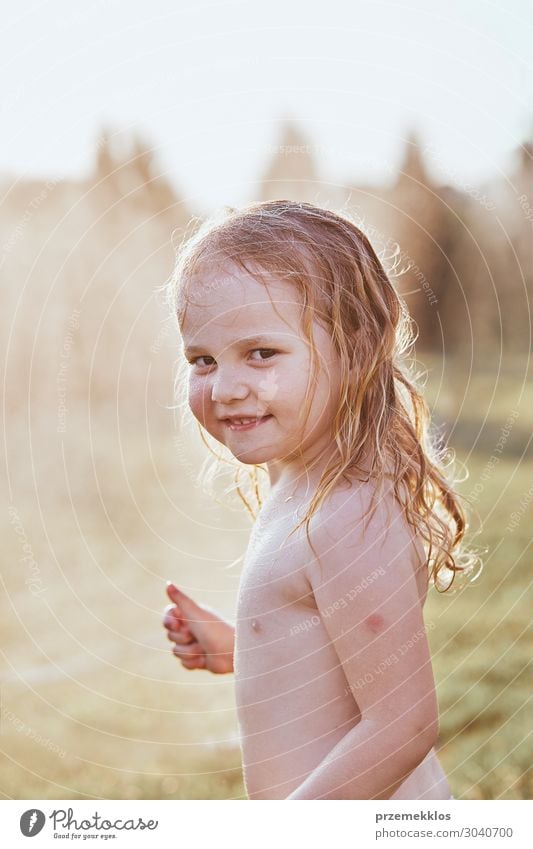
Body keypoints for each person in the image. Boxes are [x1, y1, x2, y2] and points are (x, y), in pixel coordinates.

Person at [162, 200, 479, 800]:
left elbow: (404, 726)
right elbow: (334, 661)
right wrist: (246, 646)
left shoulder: (350, 514)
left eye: (261, 352)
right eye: (203, 360)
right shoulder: (301, 485)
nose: (226, 388)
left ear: (355, 348)